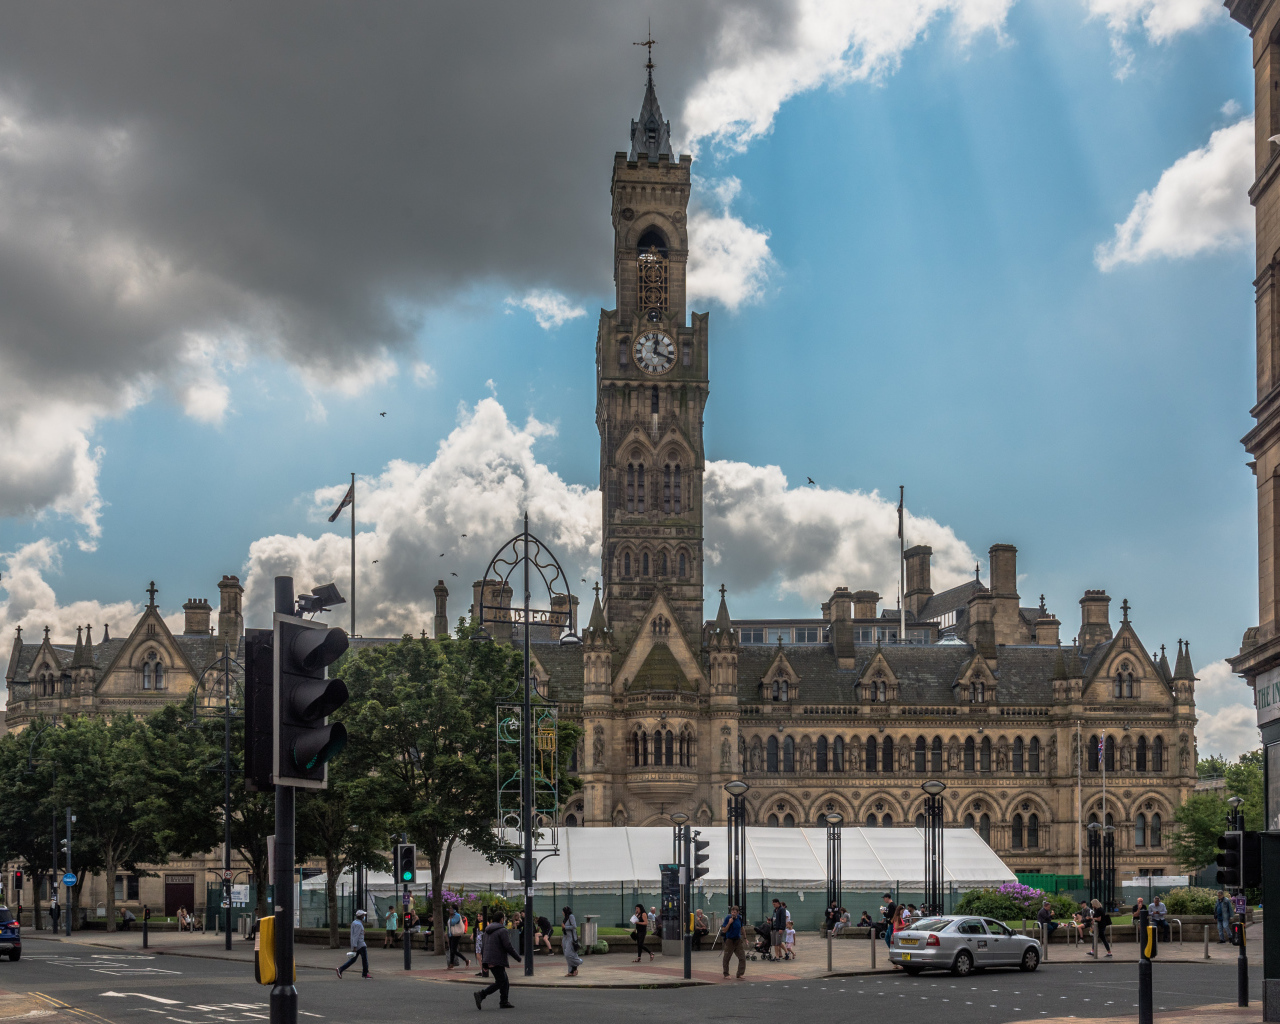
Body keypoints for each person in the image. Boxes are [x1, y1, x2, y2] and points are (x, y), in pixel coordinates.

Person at [474, 910, 520, 1010]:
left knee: (505, 981)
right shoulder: (502, 930)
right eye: (504, 919)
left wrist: (484, 962)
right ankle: (481, 994)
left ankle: (504, 1001)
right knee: (501, 981)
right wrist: (517, 957)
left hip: (490, 959)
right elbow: (508, 946)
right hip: (497, 959)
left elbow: (484, 946)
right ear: (501, 919)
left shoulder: (487, 930)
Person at [336, 909, 370, 979]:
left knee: (353, 960)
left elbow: (354, 934)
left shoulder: (354, 922)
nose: (364, 916)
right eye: (363, 915)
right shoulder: (359, 925)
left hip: (357, 944)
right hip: (360, 944)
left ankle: (341, 969)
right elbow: (356, 936)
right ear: (361, 916)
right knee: (365, 960)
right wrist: (354, 946)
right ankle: (365, 973)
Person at [719, 905, 747, 980]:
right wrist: (729, 923)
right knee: (727, 957)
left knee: (742, 957)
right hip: (730, 940)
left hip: (737, 940)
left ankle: (740, 973)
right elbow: (724, 930)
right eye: (732, 912)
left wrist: (745, 938)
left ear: (738, 913)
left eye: (735, 912)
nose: (733, 914)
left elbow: (742, 928)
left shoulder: (739, 918)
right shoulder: (728, 918)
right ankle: (726, 973)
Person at [447, 905, 472, 970]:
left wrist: (451, 917)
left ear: (454, 909)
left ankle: (466, 960)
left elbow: (453, 923)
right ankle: (451, 964)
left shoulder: (457, 916)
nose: (450, 910)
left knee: (454, 950)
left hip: (456, 934)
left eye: (451, 908)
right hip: (451, 934)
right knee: (452, 950)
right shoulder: (452, 916)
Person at [561, 906, 582, 978]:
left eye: (563, 911)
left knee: (568, 954)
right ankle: (571, 971)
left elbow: (574, 926)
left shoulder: (571, 916)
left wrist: (565, 927)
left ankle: (578, 962)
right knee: (567, 954)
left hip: (571, 938)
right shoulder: (565, 918)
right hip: (566, 938)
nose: (562, 912)